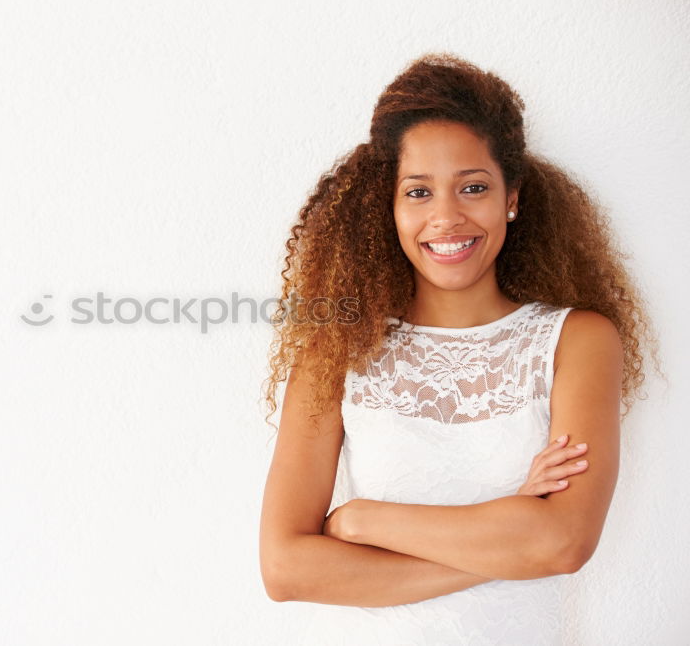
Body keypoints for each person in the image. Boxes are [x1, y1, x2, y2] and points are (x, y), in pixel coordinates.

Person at [258, 52, 664, 644]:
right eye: (418, 192)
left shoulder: (576, 341)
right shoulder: (336, 351)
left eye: (473, 187)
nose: (446, 217)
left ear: (512, 197)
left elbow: (564, 542)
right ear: (389, 209)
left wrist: (361, 520)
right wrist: (511, 534)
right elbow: (286, 568)